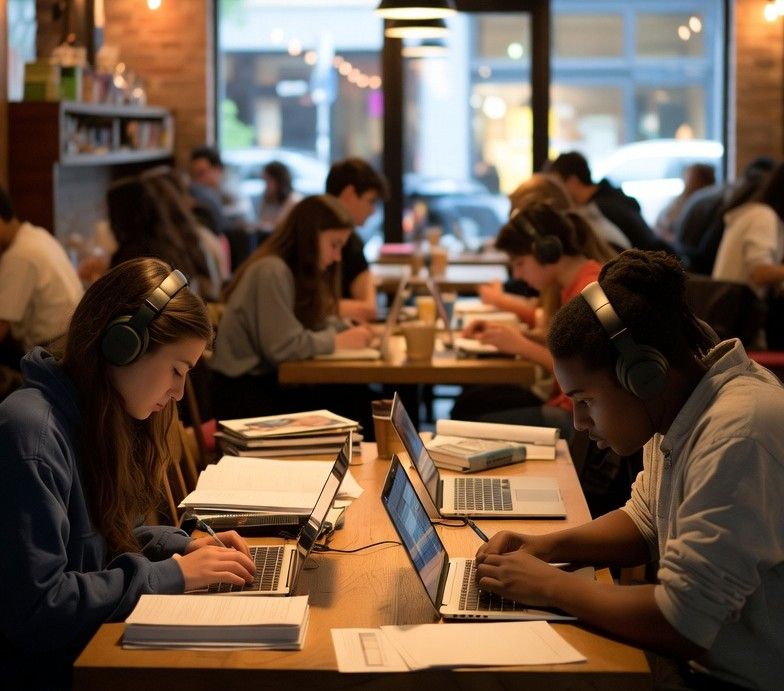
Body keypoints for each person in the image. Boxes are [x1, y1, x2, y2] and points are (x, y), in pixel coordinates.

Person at [476, 249, 784, 690]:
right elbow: (645, 521)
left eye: (586, 401)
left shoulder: (739, 433)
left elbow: (684, 622)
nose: (580, 422)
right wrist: (543, 547)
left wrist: (547, 586)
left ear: (644, 375)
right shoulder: (681, 407)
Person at [0, 258, 255, 688]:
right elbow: (38, 609)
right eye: (177, 371)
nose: (178, 393)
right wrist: (172, 575)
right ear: (123, 344)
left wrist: (187, 546)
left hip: (93, 651)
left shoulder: (96, 415)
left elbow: (114, 534)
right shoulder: (31, 437)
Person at [209, 194, 374, 424]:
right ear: (309, 237)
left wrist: (341, 328)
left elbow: (304, 325)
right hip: (245, 397)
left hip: (262, 386)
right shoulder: (271, 271)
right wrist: (338, 341)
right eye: (334, 245)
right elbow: (282, 347)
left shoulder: (287, 271)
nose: (337, 257)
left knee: (355, 399)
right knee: (356, 405)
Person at [452, 202, 607, 440]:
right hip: (561, 406)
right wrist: (511, 335)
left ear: (547, 251)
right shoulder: (571, 286)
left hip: (575, 422)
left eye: (520, 263)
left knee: (468, 422)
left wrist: (521, 346)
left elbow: (582, 372)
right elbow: (566, 349)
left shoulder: (588, 290)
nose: (517, 275)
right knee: (468, 404)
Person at [0, 185, 83, 364]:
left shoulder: (19, 255)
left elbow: (2, 326)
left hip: (52, 351)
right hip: (73, 337)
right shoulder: (37, 235)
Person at [546, 151, 669, 252]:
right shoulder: (611, 197)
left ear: (573, 181)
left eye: (557, 185)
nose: (554, 192)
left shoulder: (599, 210)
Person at [325, 157, 389, 322]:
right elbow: (303, 307)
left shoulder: (353, 242)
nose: (373, 211)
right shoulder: (310, 237)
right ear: (349, 194)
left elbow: (369, 308)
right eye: (370, 201)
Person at [655, 163, 716, 242]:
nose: (685, 180)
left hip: (672, 245)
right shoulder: (680, 199)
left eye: (692, 176)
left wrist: (663, 235)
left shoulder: (703, 204)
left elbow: (683, 240)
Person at [257, 160, 301, 233]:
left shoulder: (294, 201)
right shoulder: (267, 200)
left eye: (268, 181)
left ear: (280, 181)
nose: (265, 186)